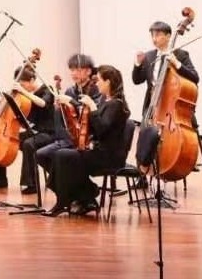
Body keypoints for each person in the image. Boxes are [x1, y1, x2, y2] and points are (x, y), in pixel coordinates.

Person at [45, 65, 131, 217]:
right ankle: (83, 197)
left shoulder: (116, 104)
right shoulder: (106, 100)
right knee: (62, 155)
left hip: (109, 157)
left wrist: (92, 107)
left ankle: (73, 199)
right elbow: (91, 121)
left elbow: (102, 129)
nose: (97, 83)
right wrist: (72, 106)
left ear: (108, 82)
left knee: (62, 156)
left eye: (99, 80)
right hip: (99, 151)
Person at [132, 20, 200, 173]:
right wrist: (137, 64)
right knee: (144, 133)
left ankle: (177, 161)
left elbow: (195, 77)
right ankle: (141, 173)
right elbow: (137, 80)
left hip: (174, 111)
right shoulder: (149, 56)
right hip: (152, 107)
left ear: (169, 36)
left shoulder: (181, 55)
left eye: (158, 35)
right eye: (152, 35)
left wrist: (177, 64)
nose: (154, 38)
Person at [35, 53, 103, 189]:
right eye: (72, 70)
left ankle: (74, 189)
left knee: (60, 157)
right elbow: (65, 119)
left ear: (89, 71)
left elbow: (93, 114)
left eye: (78, 69)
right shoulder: (70, 90)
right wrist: (59, 108)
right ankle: (81, 187)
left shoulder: (96, 90)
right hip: (69, 137)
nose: (74, 73)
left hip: (88, 139)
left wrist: (71, 102)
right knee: (41, 155)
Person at [8, 67, 59, 195]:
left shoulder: (47, 89)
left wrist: (23, 92)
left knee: (28, 144)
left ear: (31, 80)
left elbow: (43, 103)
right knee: (7, 138)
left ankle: (32, 184)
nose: (21, 87)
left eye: (23, 84)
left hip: (49, 133)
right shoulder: (26, 95)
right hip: (35, 131)